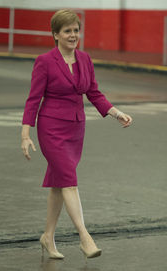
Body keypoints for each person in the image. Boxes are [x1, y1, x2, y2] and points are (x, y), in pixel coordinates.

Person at [21, 9, 132, 261]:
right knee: (69, 181)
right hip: (51, 128)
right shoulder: (45, 61)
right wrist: (25, 134)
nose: (73, 35)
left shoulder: (85, 59)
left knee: (59, 184)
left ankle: (48, 237)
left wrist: (116, 113)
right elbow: (33, 100)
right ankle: (85, 237)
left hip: (75, 129)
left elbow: (93, 93)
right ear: (55, 35)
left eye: (75, 30)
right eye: (67, 31)